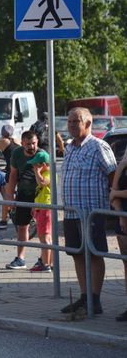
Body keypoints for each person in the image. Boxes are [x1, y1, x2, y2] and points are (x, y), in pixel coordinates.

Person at [61, 107, 116, 315]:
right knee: (76, 254)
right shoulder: (69, 148)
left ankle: (95, 299)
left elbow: (114, 178)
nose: (72, 125)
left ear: (88, 124)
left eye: (76, 121)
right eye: (69, 122)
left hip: (91, 213)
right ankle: (84, 297)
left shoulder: (99, 147)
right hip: (71, 212)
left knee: (93, 254)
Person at [5, 130, 40, 269]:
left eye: (34, 143)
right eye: (28, 144)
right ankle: (20, 259)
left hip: (39, 195)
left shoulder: (42, 154)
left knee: (44, 230)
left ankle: (46, 260)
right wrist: (10, 197)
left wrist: (39, 202)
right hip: (23, 194)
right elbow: (13, 175)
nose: (32, 147)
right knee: (21, 226)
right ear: (23, 143)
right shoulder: (17, 153)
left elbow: (47, 179)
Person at [108, 151, 127, 321]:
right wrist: (121, 215)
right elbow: (113, 190)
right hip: (123, 220)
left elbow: (116, 193)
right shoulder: (124, 164)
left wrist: (117, 194)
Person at [27, 151, 52, 273]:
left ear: (43, 164)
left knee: (44, 238)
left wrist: (37, 172)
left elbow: (43, 182)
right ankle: (48, 262)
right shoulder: (43, 174)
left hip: (45, 209)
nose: (33, 168)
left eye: (35, 165)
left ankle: (46, 264)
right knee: (44, 237)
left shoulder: (48, 174)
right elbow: (39, 192)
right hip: (40, 208)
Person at [0, 125, 21, 229]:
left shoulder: (1, 141)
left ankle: (4, 221)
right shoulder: (17, 141)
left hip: (11, 170)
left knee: (7, 195)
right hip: (21, 170)